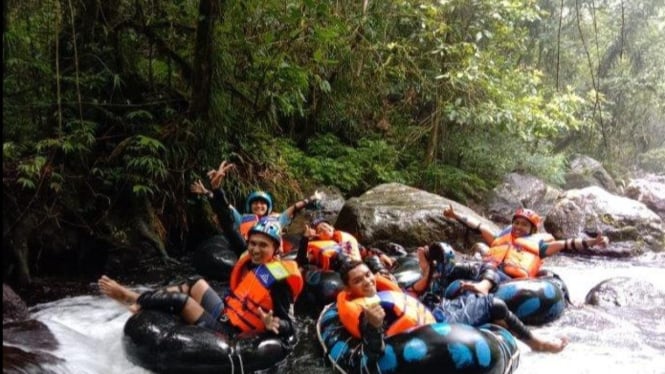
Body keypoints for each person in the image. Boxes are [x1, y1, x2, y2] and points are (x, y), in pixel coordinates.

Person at [98, 217, 303, 337]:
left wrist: (272, 324)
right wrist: (216, 194)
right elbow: (230, 229)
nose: (255, 250)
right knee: (196, 283)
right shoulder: (250, 261)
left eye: (263, 245)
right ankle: (141, 300)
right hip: (226, 313)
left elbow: (290, 325)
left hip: (233, 332)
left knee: (183, 302)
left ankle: (131, 297)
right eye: (253, 243)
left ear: (275, 249)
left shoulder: (279, 281)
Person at [337, 259, 567, 364]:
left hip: (434, 313)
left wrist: (428, 270)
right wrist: (374, 327)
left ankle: (527, 338)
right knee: (492, 305)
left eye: (368, 275)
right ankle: (537, 343)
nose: (368, 281)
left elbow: (413, 294)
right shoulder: (362, 312)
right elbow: (374, 354)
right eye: (359, 280)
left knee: (483, 300)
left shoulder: (383, 288)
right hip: (424, 336)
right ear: (348, 288)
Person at [443, 205, 610, 280]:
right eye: (516, 223)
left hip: (508, 280)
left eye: (524, 225)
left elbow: (567, 244)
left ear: (532, 230)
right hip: (488, 270)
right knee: (480, 248)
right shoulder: (500, 240)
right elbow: (477, 226)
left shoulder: (539, 246)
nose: (518, 227)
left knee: (486, 269)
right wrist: (454, 215)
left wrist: (592, 242)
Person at [191, 160, 321, 244]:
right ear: (250, 206)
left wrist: (311, 198)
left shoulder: (277, 220)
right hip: (245, 250)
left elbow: (294, 207)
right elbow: (224, 207)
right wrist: (210, 192)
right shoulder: (242, 219)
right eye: (255, 203)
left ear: (268, 206)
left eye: (262, 203)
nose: (259, 205)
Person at [407, 242, 500, 305]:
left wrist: (484, 285)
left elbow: (488, 267)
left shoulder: (457, 269)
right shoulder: (425, 276)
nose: (435, 272)